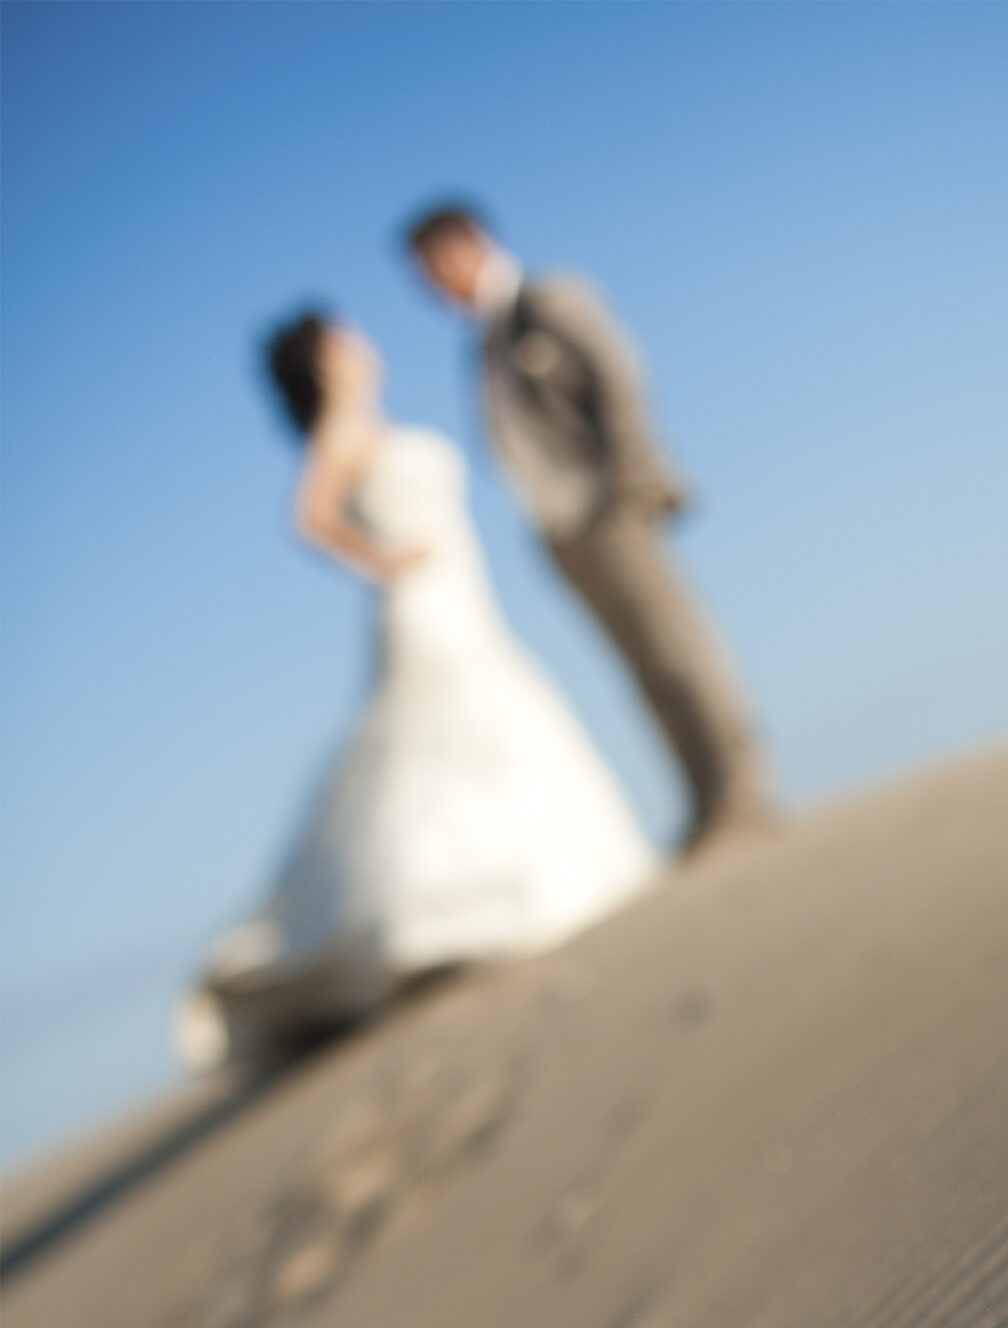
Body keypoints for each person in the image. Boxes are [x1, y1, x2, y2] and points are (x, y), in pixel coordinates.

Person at [176, 310, 662, 1071]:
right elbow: (308, 516)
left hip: (462, 593)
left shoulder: (376, 425)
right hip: (418, 602)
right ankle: (435, 923)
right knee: (440, 733)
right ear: (328, 361)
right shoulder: (341, 430)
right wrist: (380, 561)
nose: (363, 344)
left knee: (492, 721)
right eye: (347, 338)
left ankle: (512, 889)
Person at [405, 200, 776, 853]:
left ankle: (744, 793)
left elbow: (618, 376)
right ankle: (707, 799)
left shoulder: (549, 299)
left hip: (608, 507)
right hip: (560, 528)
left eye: (433, 271)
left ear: (466, 246)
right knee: (642, 667)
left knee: (679, 649)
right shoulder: (484, 344)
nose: (432, 290)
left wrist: (628, 485)